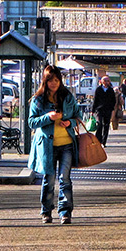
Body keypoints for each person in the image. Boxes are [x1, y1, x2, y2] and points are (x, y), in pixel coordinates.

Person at [28, 65, 83, 224]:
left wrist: (70, 122)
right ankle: (46, 211)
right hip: (46, 145)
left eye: (57, 80)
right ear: (45, 81)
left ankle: (65, 212)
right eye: (50, 80)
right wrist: (48, 117)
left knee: (65, 178)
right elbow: (31, 122)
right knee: (49, 179)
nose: (54, 83)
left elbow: (78, 117)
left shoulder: (67, 97)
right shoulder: (38, 99)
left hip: (66, 143)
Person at [91, 75, 116, 146]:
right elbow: (95, 100)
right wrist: (93, 110)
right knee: (100, 124)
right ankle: (98, 139)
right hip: (100, 109)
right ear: (102, 82)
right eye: (104, 81)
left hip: (108, 110)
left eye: (107, 81)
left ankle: (104, 141)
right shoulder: (98, 89)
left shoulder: (111, 90)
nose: (106, 82)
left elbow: (113, 100)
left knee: (106, 125)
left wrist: (111, 108)